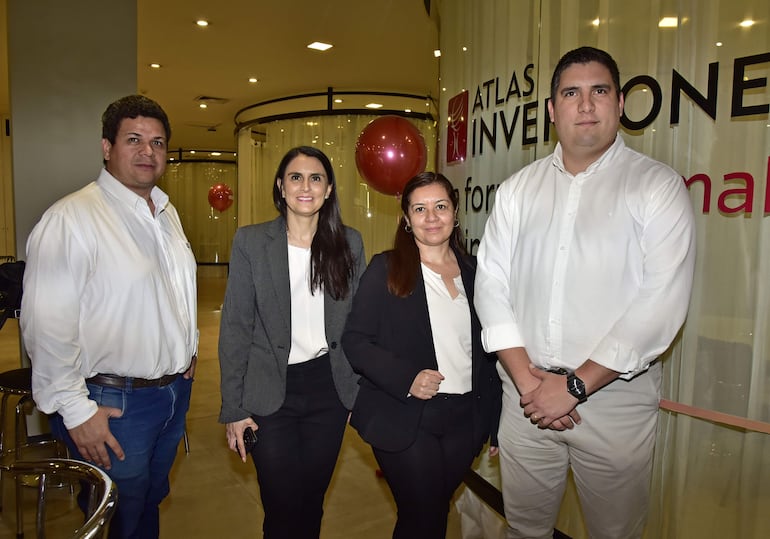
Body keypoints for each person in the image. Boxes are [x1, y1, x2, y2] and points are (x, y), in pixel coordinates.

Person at [474, 46, 696, 539]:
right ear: (552, 110)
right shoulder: (516, 191)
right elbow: (491, 284)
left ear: (620, 104)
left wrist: (574, 387)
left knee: (615, 532)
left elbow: (661, 303)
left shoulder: (657, 188)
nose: (586, 105)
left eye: (600, 91)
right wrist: (531, 386)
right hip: (524, 396)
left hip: (614, 400)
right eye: (571, 93)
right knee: (524, 529)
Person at [20, 95, 198, 539]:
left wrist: (188, 348)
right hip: (113, 404)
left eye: (157, 142)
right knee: (116, 514)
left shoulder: (165, 214)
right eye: (133, 139)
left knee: (147, 502)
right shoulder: (72, 219)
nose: (147, 152)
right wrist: (76, 412)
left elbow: (173, 290)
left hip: (172, 395)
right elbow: (45, 327)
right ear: (106, 147)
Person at [342, 172, 501, 539]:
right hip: (406, 417)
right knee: (425, 514)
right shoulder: (387, 269)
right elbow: (355, 340)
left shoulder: (475, 273)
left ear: (455, 212)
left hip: (466, 419)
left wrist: (495, 423)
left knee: (427, 517)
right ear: (407, 219)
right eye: (420, 208)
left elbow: (489, 352)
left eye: (440, 206)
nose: (432, 217)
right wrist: (407, 377)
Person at [219, 145, 366, 539]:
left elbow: (360, 326)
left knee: (311, 501)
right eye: (296, 177)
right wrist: (233, 407)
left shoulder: (348, 244)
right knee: (281, 506)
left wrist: (358, 392)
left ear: (329, 189)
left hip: (327, 390)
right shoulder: (251, 243)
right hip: (269, 391)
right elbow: (235, 327)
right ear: (281, 187)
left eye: (316, 178)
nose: (306, 186)